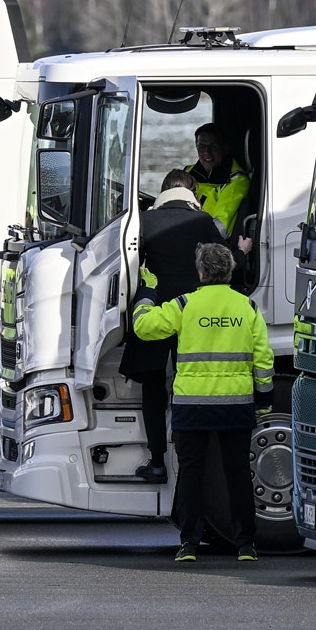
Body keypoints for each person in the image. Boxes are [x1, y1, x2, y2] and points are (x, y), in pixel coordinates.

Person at [131, 242, 272, 563]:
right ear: (229, 271)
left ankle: (188, 546)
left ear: (201, 272)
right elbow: (263, 359)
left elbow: (143, 327)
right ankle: (246, 546)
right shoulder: (247, 308)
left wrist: (148, 292)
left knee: (191, 475)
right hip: (236, 407)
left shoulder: (184, 305)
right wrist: (263, 398)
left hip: (192, 408)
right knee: (237, 475)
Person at [122, 170, 227, 484]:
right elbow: (226, 261)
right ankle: (189, 464)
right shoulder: (204, 221)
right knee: (188, 387)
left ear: (163, 190)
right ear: (192, 191)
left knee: (153, 388)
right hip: (193, 313)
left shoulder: (143, 220)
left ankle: (156, 462)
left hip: (155, 311)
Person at [184, 123, 250, 237]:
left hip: (207, 247)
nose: (206, 153)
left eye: (213, 147)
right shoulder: (188, 173)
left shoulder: (236, 181)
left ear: (225, 148)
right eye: (201, 147)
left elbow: (220, 229)